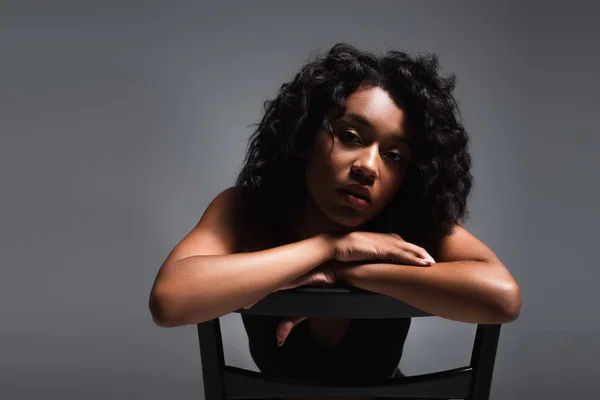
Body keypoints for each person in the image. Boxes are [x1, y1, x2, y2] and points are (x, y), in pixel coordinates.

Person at [148, 43, 521, 396]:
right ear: (306, 137)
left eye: (394, 156)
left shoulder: (407, 220)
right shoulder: (247, 210)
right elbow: (170, 300)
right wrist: (330, 246)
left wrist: (346, 270)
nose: (368, 167)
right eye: (350, 136)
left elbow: (502, 297)